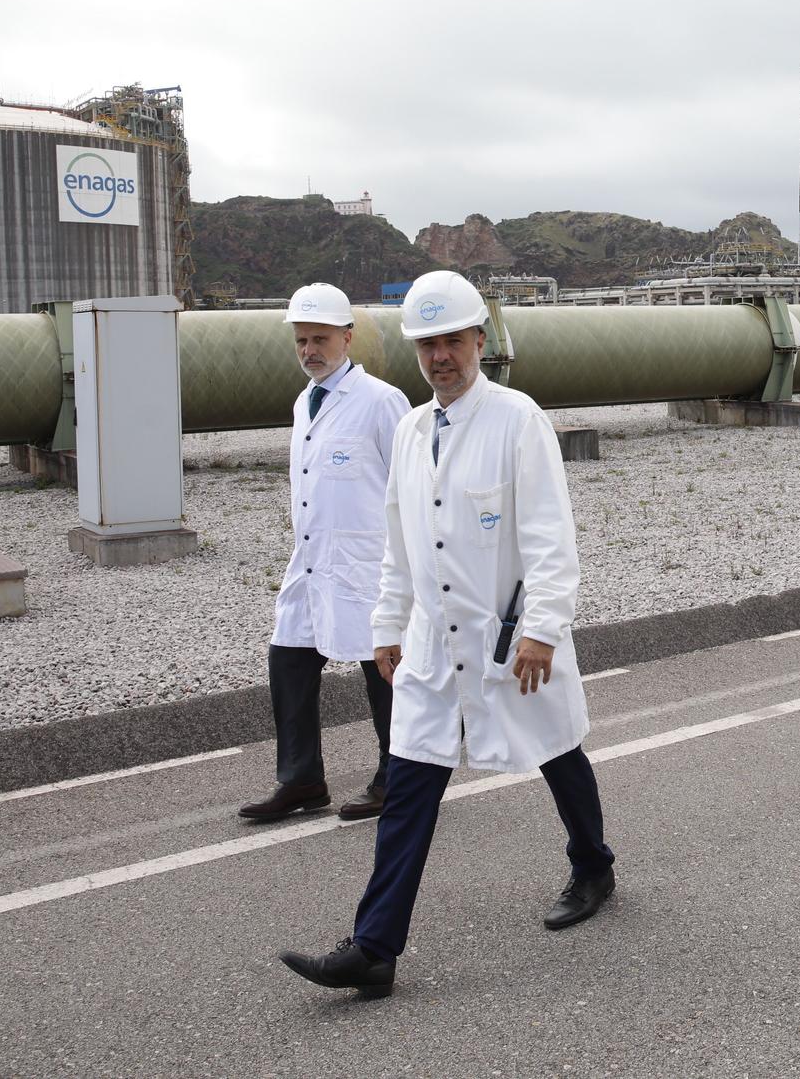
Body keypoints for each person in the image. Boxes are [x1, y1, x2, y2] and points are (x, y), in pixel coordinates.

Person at [281, 269, 616, 998]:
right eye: (427, 344)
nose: (441, 357)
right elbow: (398, 543)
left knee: (557, 751)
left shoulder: (517, 419)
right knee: (409, 785)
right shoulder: (407, 431)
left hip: (509, 635)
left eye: (452, 341)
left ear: (480, 340)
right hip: (434, 645)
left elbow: (550, 536)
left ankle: (592, 863)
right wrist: (386, 623)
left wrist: (544, 628)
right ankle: (375, 947)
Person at [241, 283, 412, 825]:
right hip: (312, 561)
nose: (309, 350)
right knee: (289, 655)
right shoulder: (304, 401)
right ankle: (302, 779)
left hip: (368, 563)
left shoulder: (381, 402)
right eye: (301, 340)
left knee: (381, 665)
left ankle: (397, 776)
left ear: (347, 337)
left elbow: (410, 489)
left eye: (319, 339)